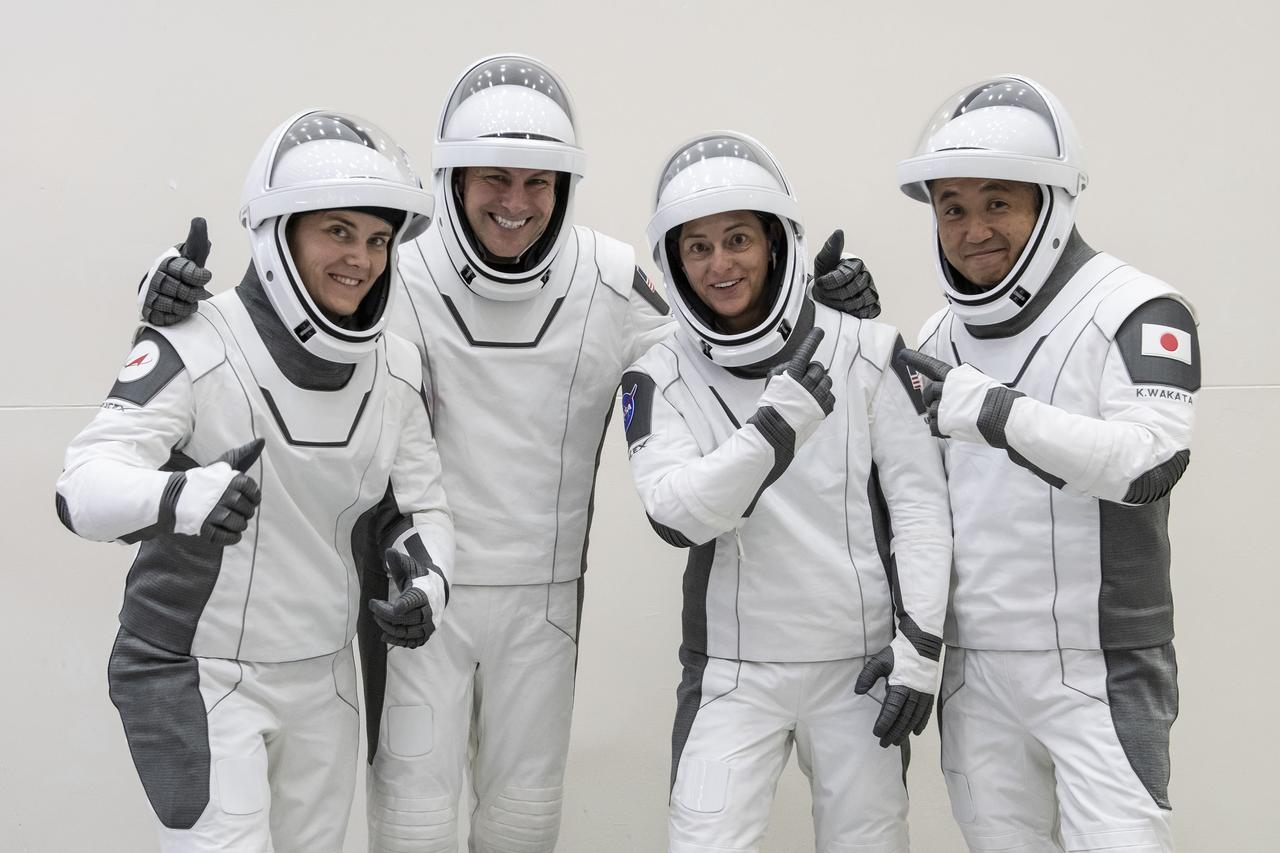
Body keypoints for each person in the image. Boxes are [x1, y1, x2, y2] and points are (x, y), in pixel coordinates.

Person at [137, 56, 878, 853]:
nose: (516, 203)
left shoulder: (613, 279)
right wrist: (167, 300)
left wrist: (815, 306)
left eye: (538, 182)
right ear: (453, 178)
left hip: (545, 605)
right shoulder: (391, 267)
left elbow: (722, 335)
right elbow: (276, 308)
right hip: (414, 595)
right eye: (495, 178)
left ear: (563, 186)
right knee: (413, 828)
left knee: (523, 825)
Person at [56, 110, 453, 853]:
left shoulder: (398, 366)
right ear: (279, 234)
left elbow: (421, 504)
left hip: (325, 677)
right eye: (338, 231)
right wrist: (177, 497)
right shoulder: (196, 339)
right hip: (204, 676)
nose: (361, 258)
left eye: (376, 238)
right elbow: (80, 486)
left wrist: (429, 581)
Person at [622, 131, 952, 853]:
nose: (719, 264)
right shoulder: (656, 371)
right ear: (674, 262)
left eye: (737, 238)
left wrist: (921, 644)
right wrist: (777, 424)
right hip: (732, 672)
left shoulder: (866, 346)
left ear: (775, 242)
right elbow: (677, 513)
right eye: (696, 247)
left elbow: (921, 508)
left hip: (859, 668)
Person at [895, 76, 1198, 853]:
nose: (972, 229)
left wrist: (996, 410)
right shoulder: (938, 331)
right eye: (952, 207)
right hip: (977, 667)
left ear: (1052, 204)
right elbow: (915, 501)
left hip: (1100, 666)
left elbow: (1149, 463)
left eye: (997, 202)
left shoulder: (1137, 307)